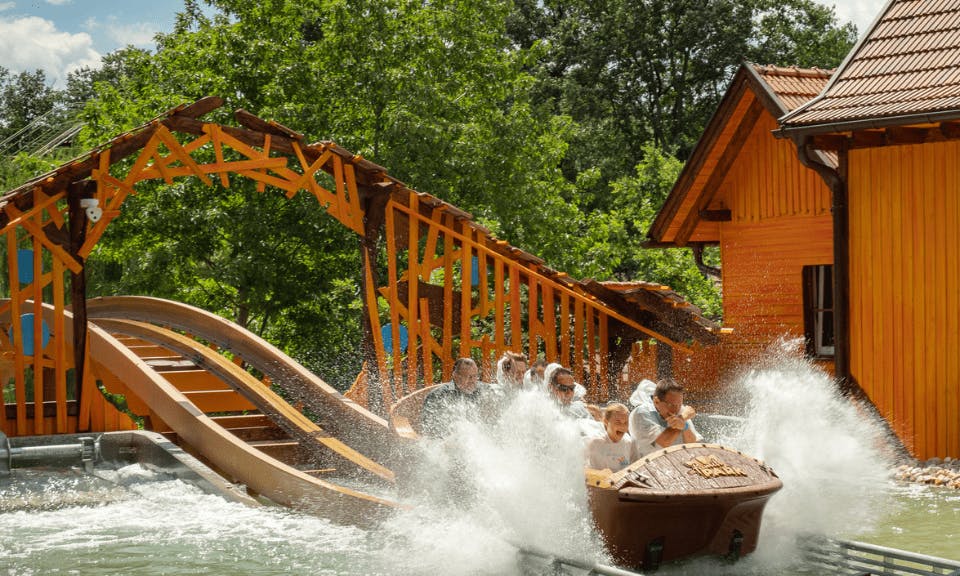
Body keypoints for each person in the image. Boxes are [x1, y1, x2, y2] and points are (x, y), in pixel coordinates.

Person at [629, 378, 702, 457]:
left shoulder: (680, 410)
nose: (676, 409)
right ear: (656, 402)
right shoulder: (641, 413)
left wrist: (685, 426)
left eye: (680, 404)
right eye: (671, 405)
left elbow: (692, 444)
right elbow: (660, 445)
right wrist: (682, 419)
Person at [420, 357, 493, 437]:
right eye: (468, 377)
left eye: (475, 376)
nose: (472, 381)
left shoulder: (482, 390)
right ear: (455, 376)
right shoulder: (438, 396)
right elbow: (430, 429)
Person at [585, 403, 635, 472]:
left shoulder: (628, 442)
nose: (623, 427)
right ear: (606, 422)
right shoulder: (596, 443)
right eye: (618, 422)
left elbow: (633, 467)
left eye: (626, 423)